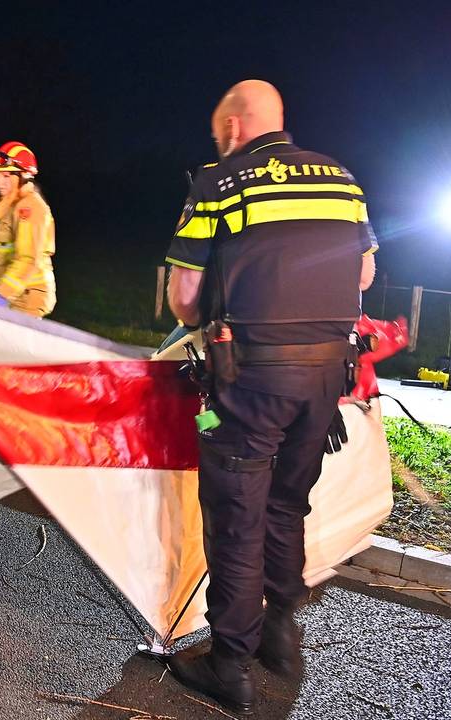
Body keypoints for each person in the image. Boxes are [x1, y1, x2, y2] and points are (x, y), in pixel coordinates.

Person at [163, 81, 378, 714]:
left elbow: (182, 298)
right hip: (326, 379)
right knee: (288, 504)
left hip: (251, 377)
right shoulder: (341, 179)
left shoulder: (218, 184)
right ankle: (281, 635)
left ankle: (230, 664)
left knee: (237, 517)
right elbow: (364, 273)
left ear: (232, 129)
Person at [0, 141, 57, 317]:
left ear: (23, 177)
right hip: (16, 294)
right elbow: (6, 252)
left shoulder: (30, 207)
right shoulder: (12, 206)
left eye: (6, 176)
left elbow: (28, 259)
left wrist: (1, 294)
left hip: (29, 296)